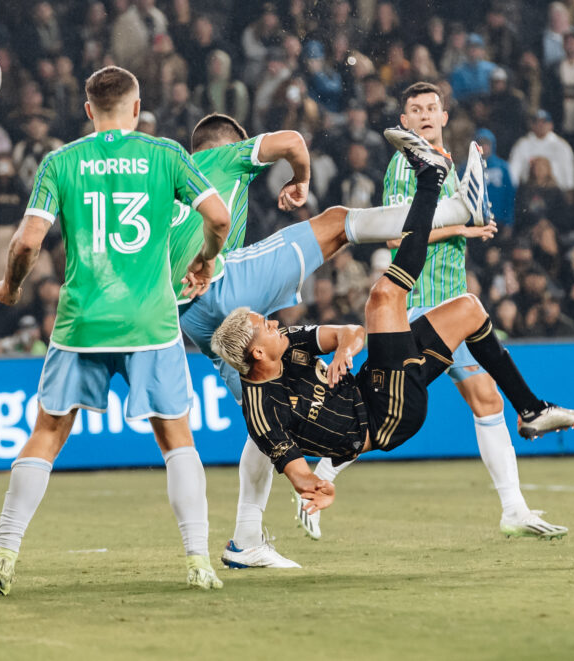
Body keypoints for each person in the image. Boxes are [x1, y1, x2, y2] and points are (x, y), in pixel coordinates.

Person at [210, 129, 574, 523]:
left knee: (470, 309)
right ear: (256, 353)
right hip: (385, 418)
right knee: (384, 297)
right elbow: (299, 475)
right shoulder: (262, 412)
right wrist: (318, 489)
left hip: (375, 385)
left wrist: (344, 348)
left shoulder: (285, 342)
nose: (275, 324)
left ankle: (531, 409)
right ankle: (432, 181)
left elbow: (349, 333)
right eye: (265, 327)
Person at [170, 112, 494, 567]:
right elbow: (291, 140)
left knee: (264, 408)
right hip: (221, 283)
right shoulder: (223, 158)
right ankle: (457, 209)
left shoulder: (164, 190)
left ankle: (245, 539)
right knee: (338, 223)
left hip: (196, 321)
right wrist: (299, 180)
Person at [0, 66, 231, 596]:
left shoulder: (60, 161)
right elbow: (219, 217)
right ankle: (198, 562)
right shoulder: (167, 155)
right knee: (176, 439)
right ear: (137, 108)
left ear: (89, 111)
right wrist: (206, 260)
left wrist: (10, 286)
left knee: (47, 435)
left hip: (81, 323)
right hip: (151, 322)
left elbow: (26, 243)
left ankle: (5, 554)